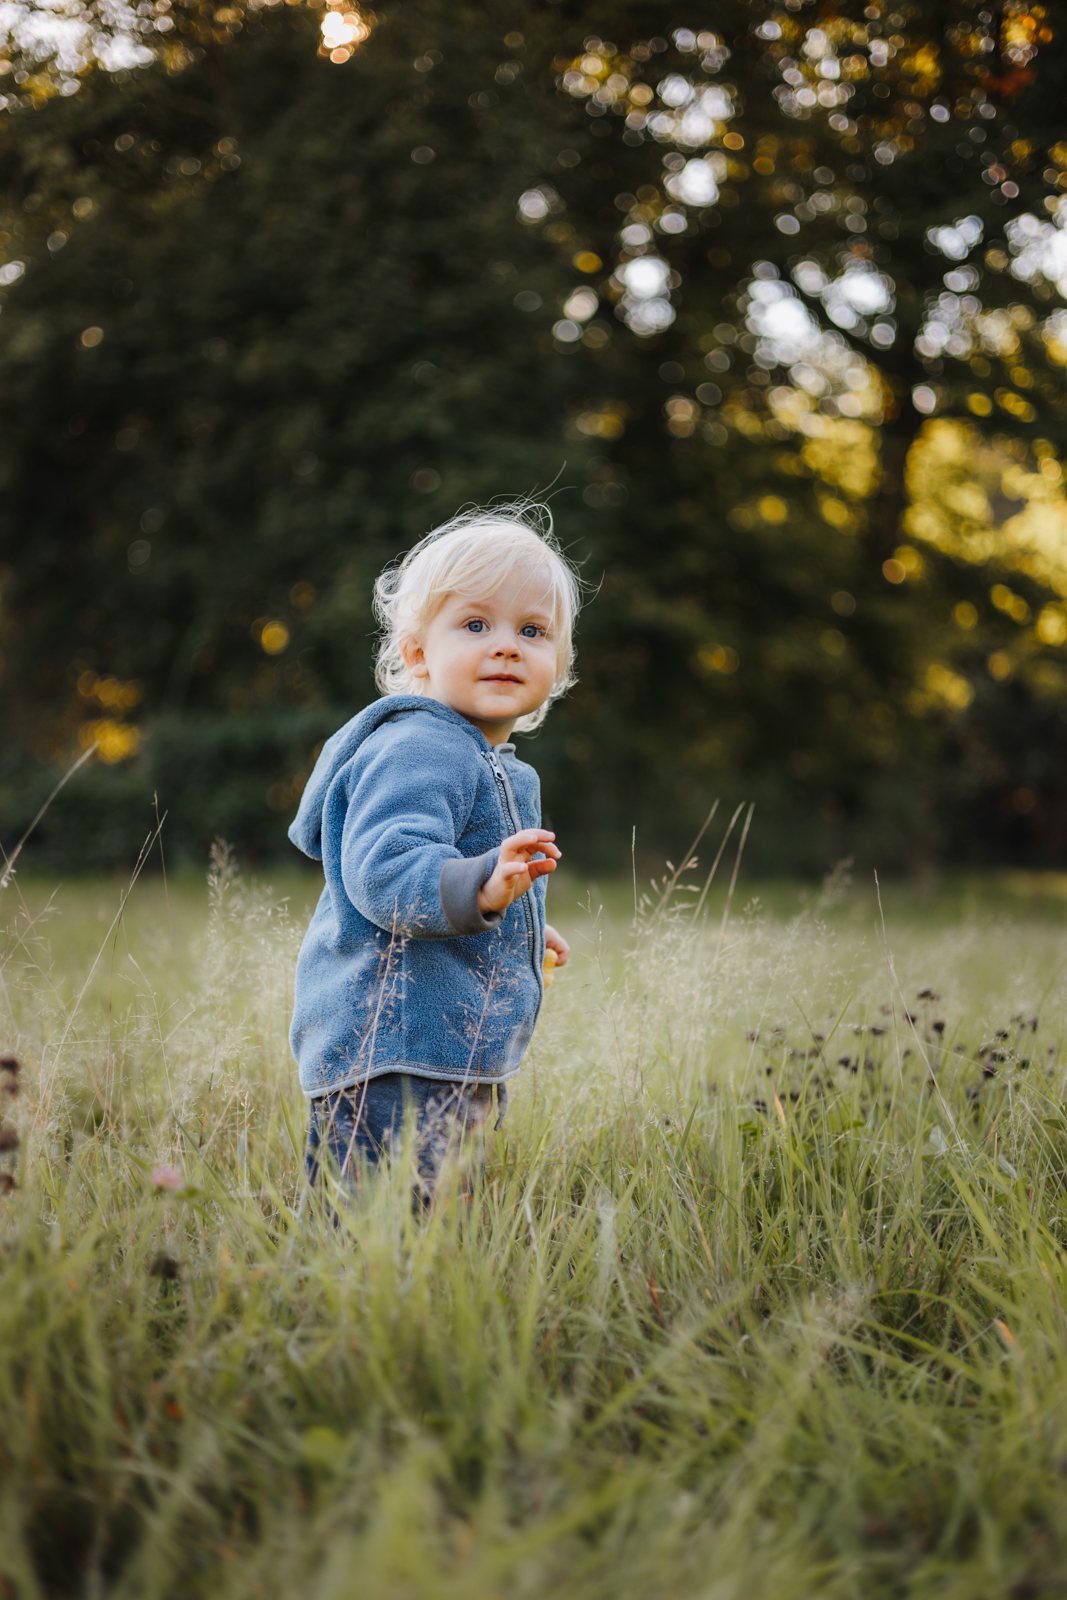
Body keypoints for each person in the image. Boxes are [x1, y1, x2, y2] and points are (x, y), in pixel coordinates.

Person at [288, 503, 579, 1201]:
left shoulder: (484, 757)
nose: (506, 645)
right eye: (475, 625)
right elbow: (384, 870)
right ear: (417, 651)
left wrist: (518, 919)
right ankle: (337, 1311)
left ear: (559, 662)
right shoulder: (421, 745)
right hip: (394, 1046)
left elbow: (462, 869)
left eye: (532, 630)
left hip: (440, 1045)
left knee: (425, 1224)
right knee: (375, 1225)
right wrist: (482, 887)